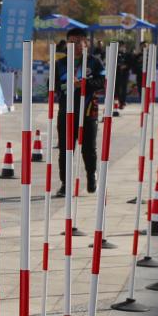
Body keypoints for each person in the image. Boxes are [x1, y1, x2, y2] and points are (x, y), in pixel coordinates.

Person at [54, 27, 105, 196]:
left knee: (89, 149)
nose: (75, 45)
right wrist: (67, 85)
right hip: (66, 112)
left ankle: (91, 176)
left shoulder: (94, 62)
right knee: (66, 149)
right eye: (71, 42)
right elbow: (51, 86)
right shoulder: (60, 63)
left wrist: (83, 84)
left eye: (78, 41)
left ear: (86, 43)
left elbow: (101, 82)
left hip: (89, 111)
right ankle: (65, 183)